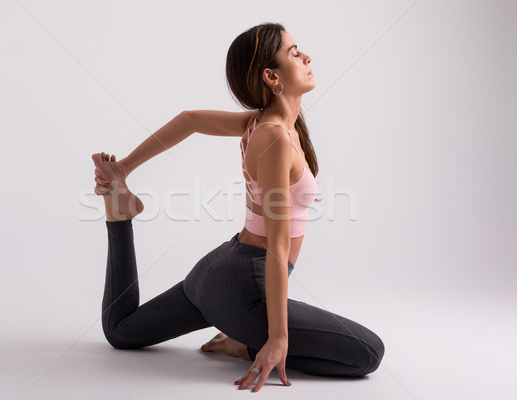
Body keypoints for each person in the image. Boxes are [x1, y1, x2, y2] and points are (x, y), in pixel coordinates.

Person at [91, 23, 385, 393]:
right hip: (240, 288)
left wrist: (123, 170)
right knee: (368, 353)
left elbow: (190, 121)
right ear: (271, 76)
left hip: (217, 273)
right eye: (295, 53)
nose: (307, 57)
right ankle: (245, 343)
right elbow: (277, 248)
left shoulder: (261, 124)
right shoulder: (273, 135)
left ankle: (119, 215)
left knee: (121, 331)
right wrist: (275, 338)